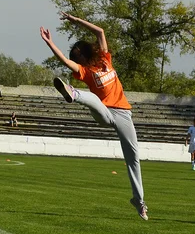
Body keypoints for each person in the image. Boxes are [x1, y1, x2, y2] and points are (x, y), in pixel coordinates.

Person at [40, 12, 148, 220]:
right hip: (103, 111)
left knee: (133, 157)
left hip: (123, 113)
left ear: (86, 50)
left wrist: (76, 20)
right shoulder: (85, 72)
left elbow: (100, 32)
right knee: (91, 98)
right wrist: (50, 43)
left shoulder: (105, 59)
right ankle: (73, 93)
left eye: (78, 53)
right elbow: (63, 60)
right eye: (75, 56)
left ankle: (139, 200)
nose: (77, 57)